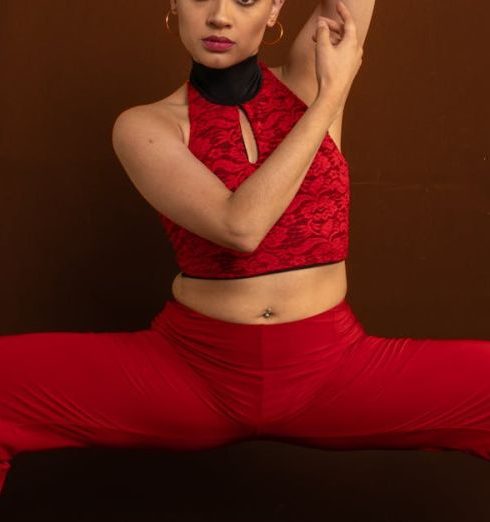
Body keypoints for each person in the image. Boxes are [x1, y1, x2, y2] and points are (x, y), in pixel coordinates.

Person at [1, 0, 490, 496]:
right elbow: (239, 228)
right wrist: (330, 100)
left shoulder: (304, 77)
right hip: (194, 369)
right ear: (175, 4)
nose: (219, 16)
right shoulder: (145, 126)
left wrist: (322, 93)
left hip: (330, 366)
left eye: (246, 0)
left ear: (275, 9)